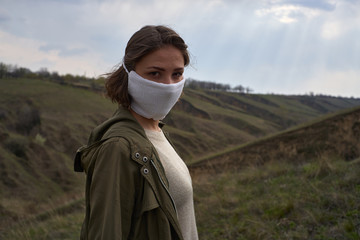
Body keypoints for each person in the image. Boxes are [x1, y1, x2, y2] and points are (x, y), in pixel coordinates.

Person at [74, 25, 198, 240]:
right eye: (155, 73)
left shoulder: (154, 130)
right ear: (129, 74)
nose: (168, 85)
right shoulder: (118, 146)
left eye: (176, 74)